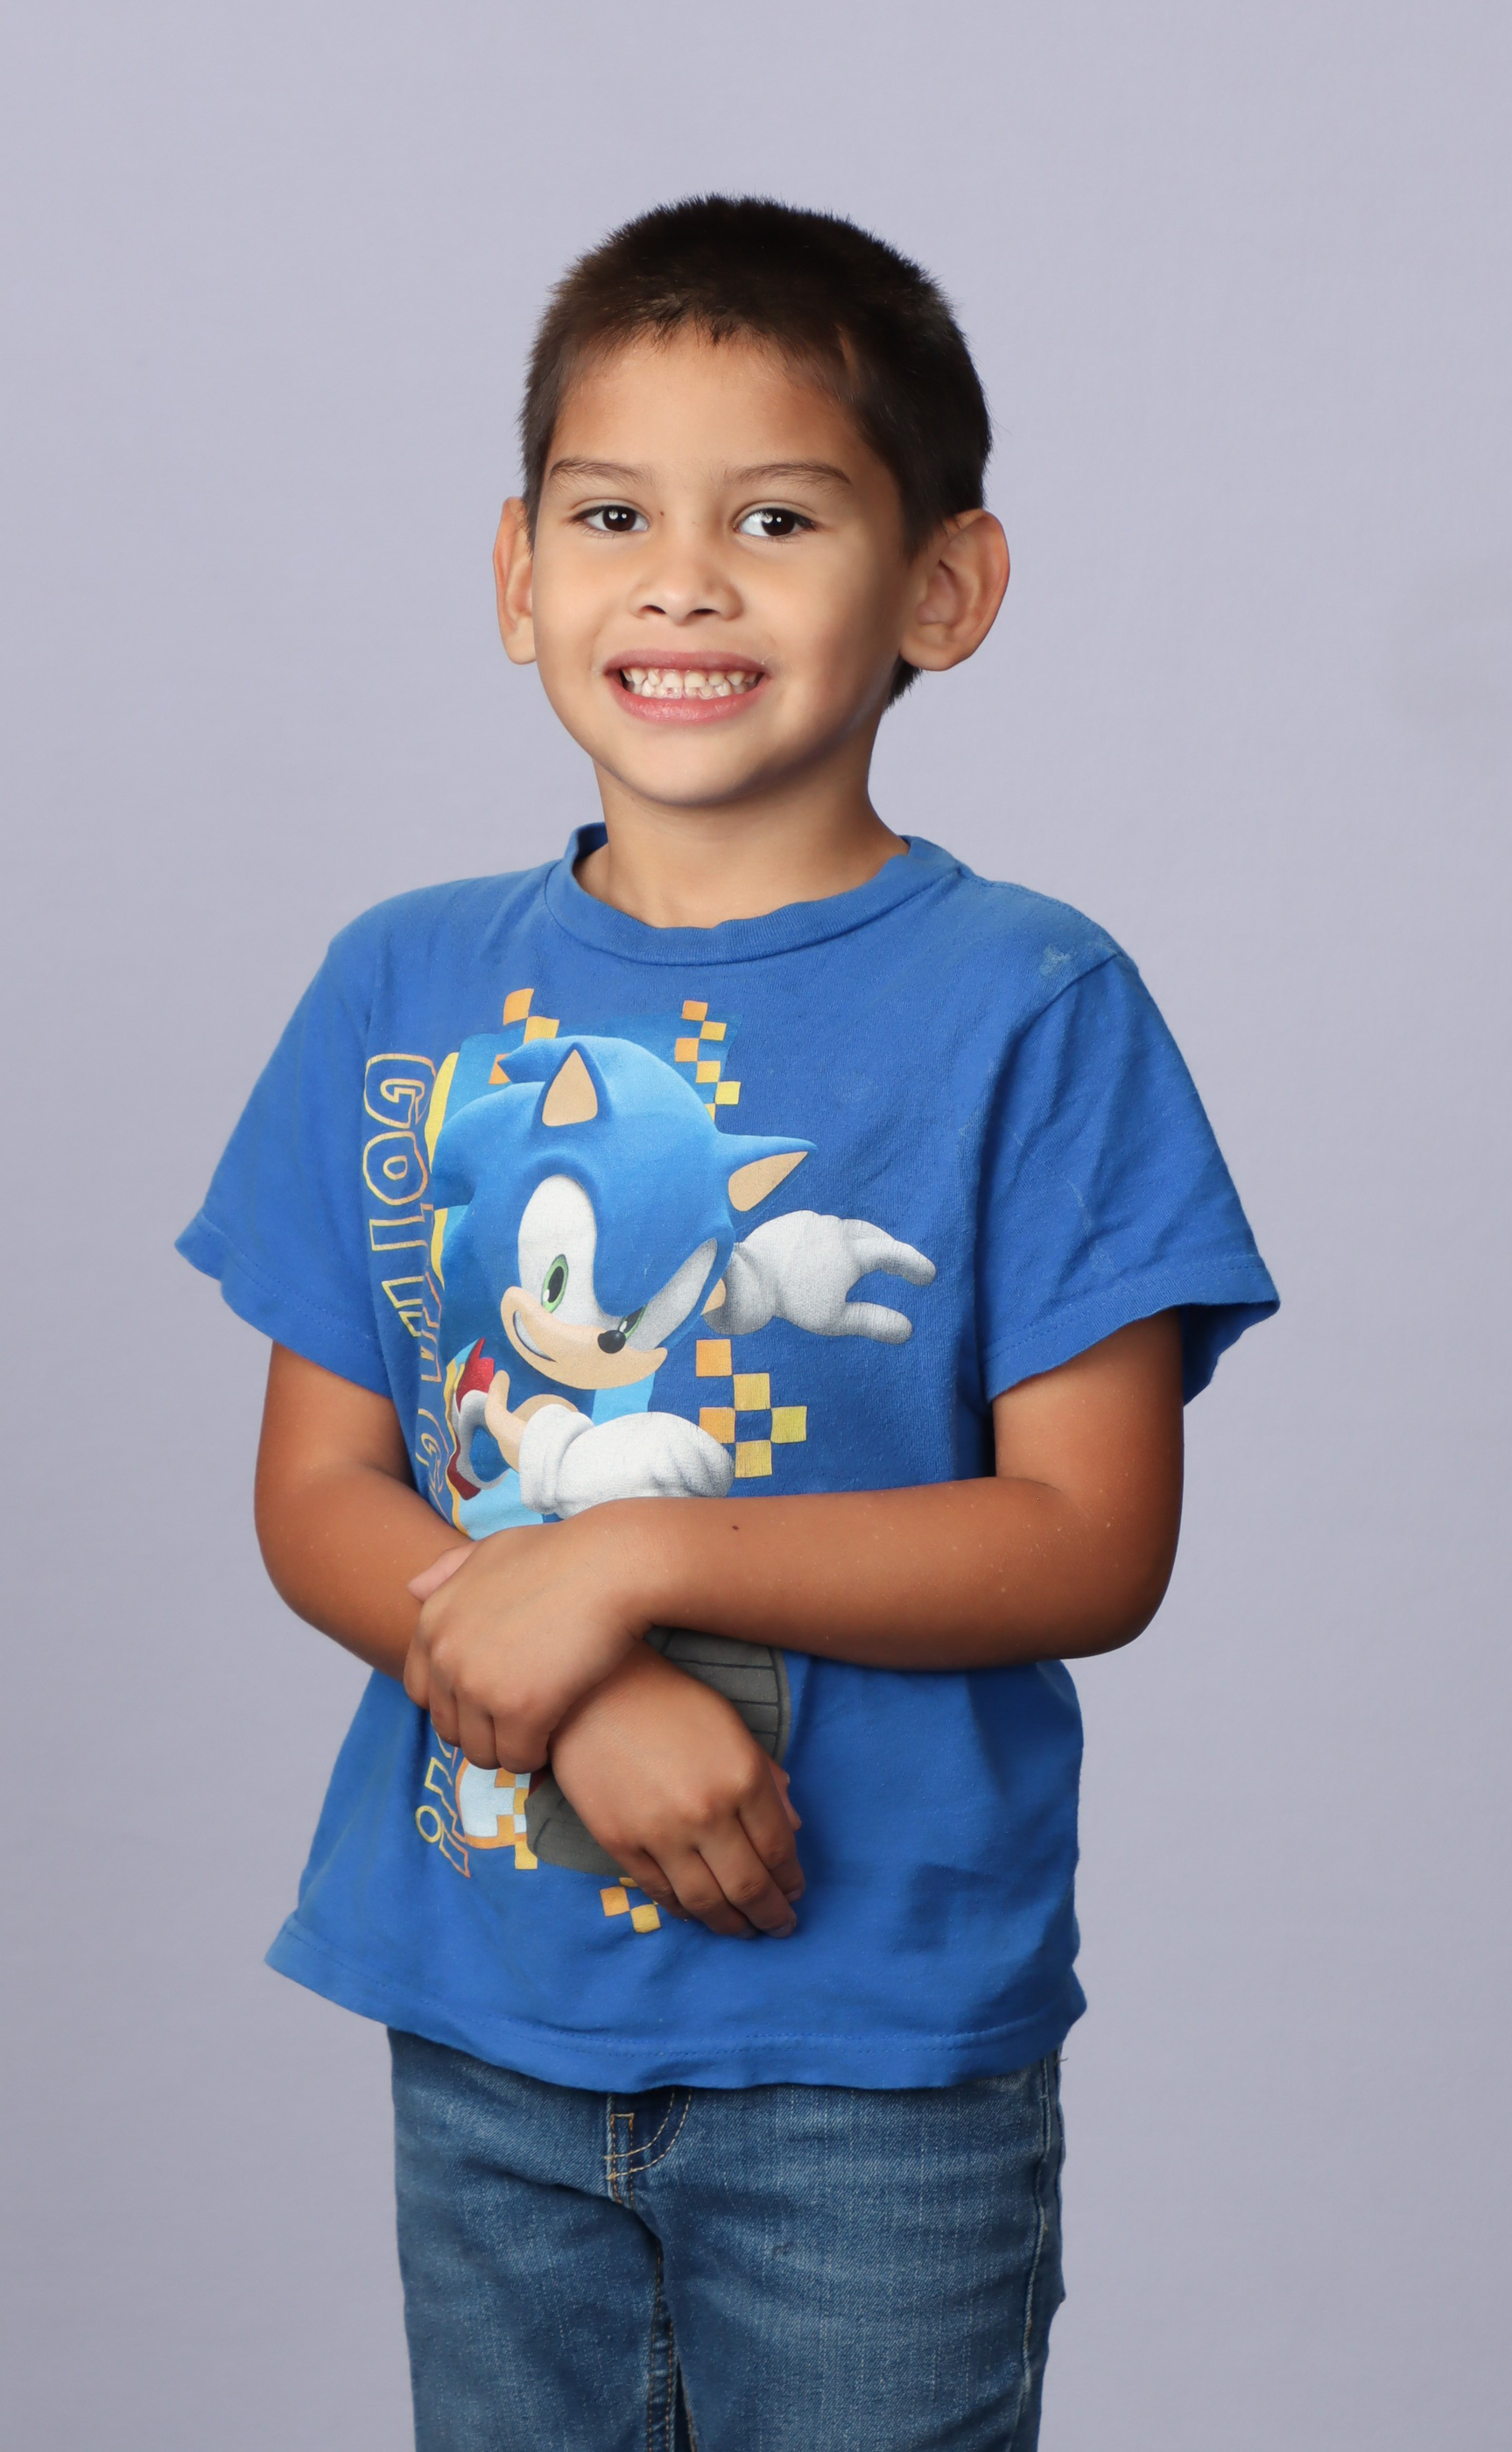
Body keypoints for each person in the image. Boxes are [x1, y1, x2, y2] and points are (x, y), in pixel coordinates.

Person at [179, 194, 1276, 2452]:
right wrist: (578, 1699)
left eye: (775, 518)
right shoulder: (400, 983)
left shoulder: (1030, 1003)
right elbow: (319, 1490)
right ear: (518, 575)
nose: (682, 582)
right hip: (482, 2013)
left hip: (875, 2059)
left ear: (943, 589)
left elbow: (1092, 1542)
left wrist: (636, 1560)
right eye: (613, 516)